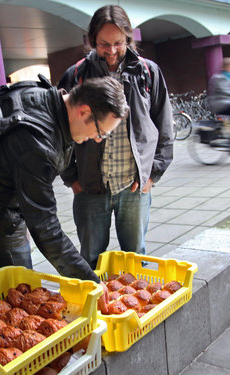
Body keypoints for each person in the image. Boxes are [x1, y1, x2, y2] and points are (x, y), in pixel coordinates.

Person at [0, 76, 129, 298]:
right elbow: (46, 228)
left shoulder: (46, 97)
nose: (97, 139)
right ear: (84, 111)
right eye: (100, 132)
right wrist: (91, 282)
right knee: (14, 295)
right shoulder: (37, 145)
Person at [58, 5, 174, 269]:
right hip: (89, 189)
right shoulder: (75, 75)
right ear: (91, 41)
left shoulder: (148, 72)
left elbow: (164, 128)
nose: (111, 51)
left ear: (129, 39)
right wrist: (72, 179)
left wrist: (152, 175)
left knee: (135, 260)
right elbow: (61, 131)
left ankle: (134, 309)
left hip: (133, 189)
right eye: (104, 44)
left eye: (119, 43)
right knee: (90, 260)